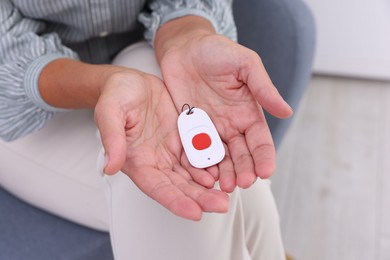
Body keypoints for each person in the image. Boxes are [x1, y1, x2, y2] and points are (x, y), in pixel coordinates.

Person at [0, 0, 293, 259]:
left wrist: (187, 35)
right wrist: (102, 84)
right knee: (196, 201)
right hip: (22, 96)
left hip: (146, 43)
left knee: (206, 175)